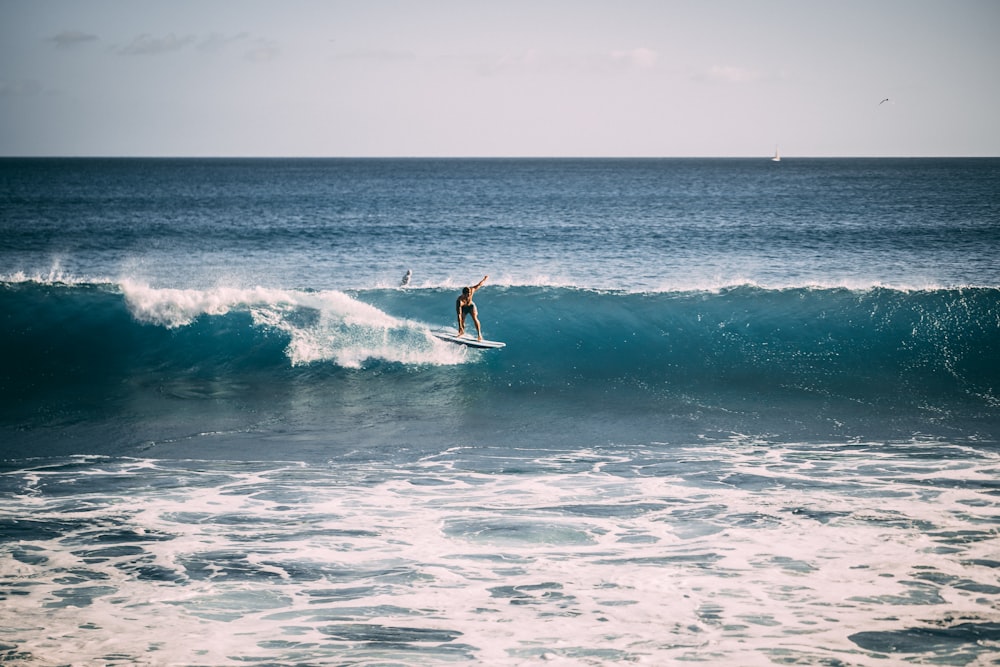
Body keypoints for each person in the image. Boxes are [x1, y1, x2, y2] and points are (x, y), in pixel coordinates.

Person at [456, 275, 489, 340]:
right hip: (464, 308)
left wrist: (485, 279)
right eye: (467, 295)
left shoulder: (472, 290)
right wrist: (460, 326)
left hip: (471, 306)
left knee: (475, 318)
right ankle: (461, 332)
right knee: (462, 319)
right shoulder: (459, 301)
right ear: (463, 294)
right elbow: (459, 315)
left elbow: (479, 285)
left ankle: (479, 334)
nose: (468, 297)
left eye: (469, 295)